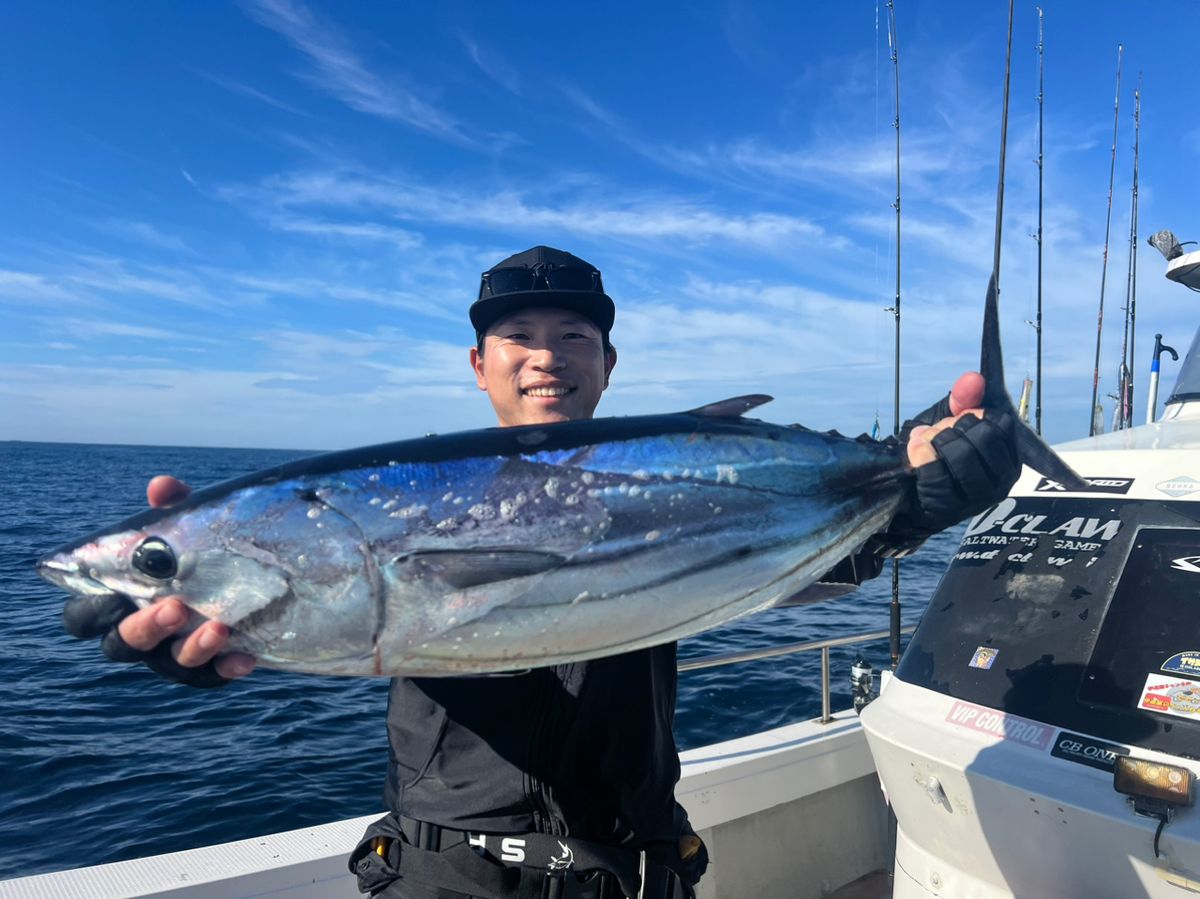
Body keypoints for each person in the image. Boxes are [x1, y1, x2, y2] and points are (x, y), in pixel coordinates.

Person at [63, 246, 1021, 898]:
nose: (545, 357)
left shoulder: (682, 481)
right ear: (479, 362)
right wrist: (195, 620)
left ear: (607, 363)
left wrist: (914, 488)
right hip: (449, 875)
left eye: (573, 338)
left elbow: (795, 570)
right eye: (519, 336)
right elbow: (322, 600)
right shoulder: (397, 492)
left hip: (636, 867)